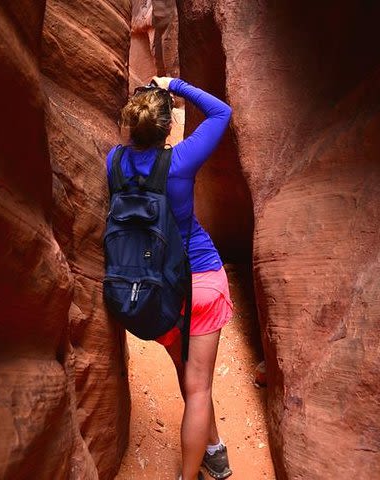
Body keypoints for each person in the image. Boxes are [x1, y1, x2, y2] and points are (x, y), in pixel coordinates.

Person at [106, 76, 234, 480]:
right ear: (168, 129)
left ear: (130, 126)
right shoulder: (180, 162)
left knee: (187, 373)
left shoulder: (114, 163)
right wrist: (173, 83)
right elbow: (221, 111)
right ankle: (189, 473)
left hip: (155, 289)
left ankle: (214, 451)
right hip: (200, 282)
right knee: (199, 388)